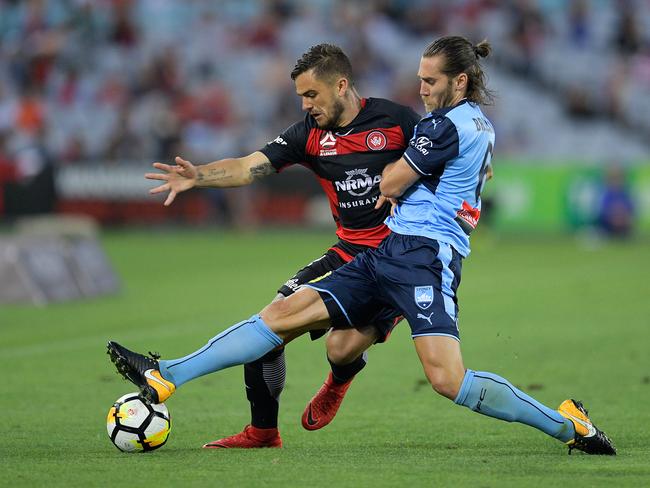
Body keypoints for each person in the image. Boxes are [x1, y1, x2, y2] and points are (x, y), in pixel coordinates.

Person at [109, 36, 615, 455]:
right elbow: (253, 165)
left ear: (459, 80)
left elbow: (395, 181)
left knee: (447, 380)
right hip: (382, 250)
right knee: (283, 315)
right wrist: (199, 176)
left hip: (424, 259)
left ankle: (567, 424)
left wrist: (400, 182)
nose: (421, 88)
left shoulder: (432, 124)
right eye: (420, 79)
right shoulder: (426, 125)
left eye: (430, 80)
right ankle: (166, 374)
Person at [143, 43, 421, 448]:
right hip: (347, 252)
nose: (306, 105)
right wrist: (198, 176)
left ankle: (337, 383)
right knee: (270, 320)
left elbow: (439, 161)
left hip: (395, 259)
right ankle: (262, 431)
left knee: (341, 348)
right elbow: (248, 166)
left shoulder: (396, 121)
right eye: (301, 97)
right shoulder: (309, 134)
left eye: (312, 95)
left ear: (341, 85)